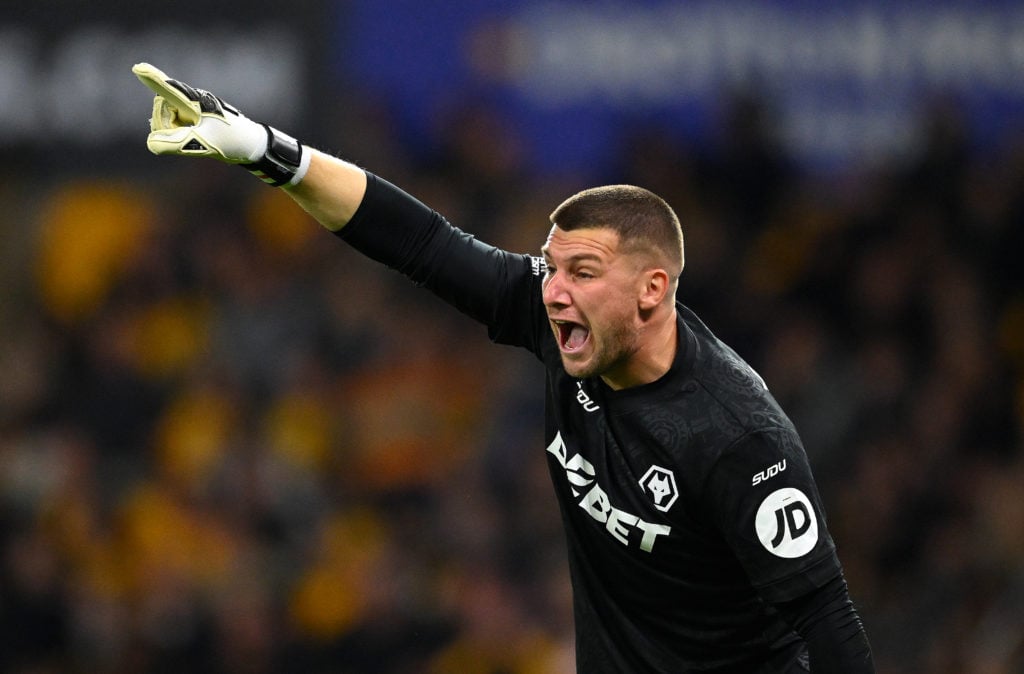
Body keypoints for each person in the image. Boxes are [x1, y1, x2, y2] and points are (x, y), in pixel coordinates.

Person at [132, 63, 875, 673]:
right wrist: (266, 149)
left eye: (583, 273)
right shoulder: (560, 324)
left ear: (652, 290)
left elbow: (827, 616)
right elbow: (422, 242)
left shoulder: (739, 437)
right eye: (552, 268)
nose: (553, 292)